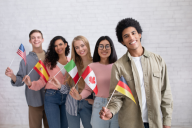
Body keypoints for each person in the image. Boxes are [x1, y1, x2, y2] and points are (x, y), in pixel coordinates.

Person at [99, 18, 173, 128]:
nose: (131, 37)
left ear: (139, 34)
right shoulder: (119, 66)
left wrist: (167, 121)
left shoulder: (158, 60)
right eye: (126, 36)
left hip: (154, 122)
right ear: (122, 42)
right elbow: (116, 97)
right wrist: (110, 112)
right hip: (130, 124)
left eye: (133, 33)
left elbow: (165, 93)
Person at [69, 36, 119, 128]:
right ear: (97, 48)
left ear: (111, 48)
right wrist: (79, 96)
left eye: (107, 46)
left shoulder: (118, 66)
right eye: (101, 46)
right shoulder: (92, 66)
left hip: (116, 105)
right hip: (99, 104)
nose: (104, 49)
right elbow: (88, 89)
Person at [23, 36, 70, 128]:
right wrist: (30, 84)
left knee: (65, 126)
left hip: (67, 98)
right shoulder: (49, 62)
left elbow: (74, 82)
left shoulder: (71, 61)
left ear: (65, 45)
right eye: (55, 46)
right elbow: (42, 81)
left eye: (60, 44)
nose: (58, 47)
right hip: (51, 97)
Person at [5, 30, 49, 128]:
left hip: (51, 100)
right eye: (33, 37)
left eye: (38, 37)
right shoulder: (25, 60)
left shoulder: (50, 57)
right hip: (34, 100)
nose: (36, 39)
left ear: (42, 39)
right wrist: (12, 75)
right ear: (30, 41)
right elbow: (20, 80)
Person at [51, 35, 93, 128]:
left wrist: (94, 101)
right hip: (71, 106)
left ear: (87, 45)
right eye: (77, 47)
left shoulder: (95, 63)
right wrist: (59, 86)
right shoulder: (72, 65)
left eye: (82, 45)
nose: (80, 49)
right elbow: (67, 90)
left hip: (87, 105)